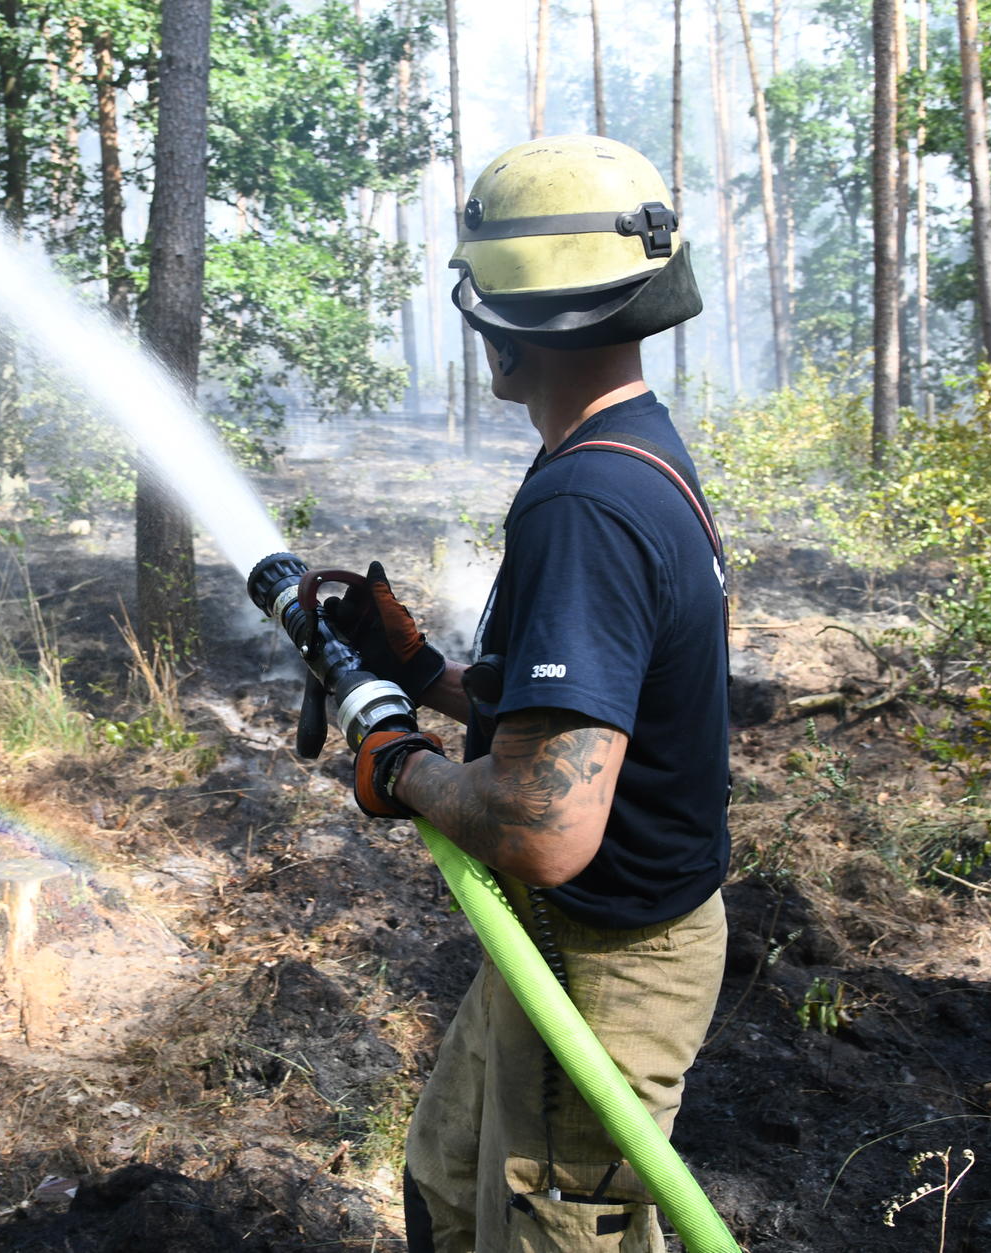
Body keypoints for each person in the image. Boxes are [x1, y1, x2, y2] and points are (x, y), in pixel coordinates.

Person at [328, 136, 730, 1253]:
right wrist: (417, 677)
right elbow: (581, 728)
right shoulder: (629, 451)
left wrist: (401, 766)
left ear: (511, 316)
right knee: (453, 1189)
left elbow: (547, 825)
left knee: (550, 1233)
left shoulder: (586, 504)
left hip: (602, 963)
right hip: (571, 943)